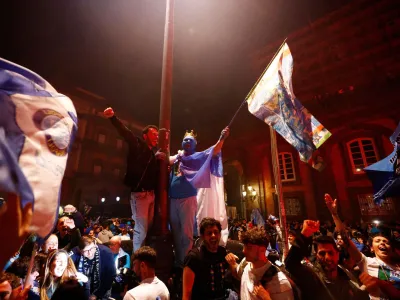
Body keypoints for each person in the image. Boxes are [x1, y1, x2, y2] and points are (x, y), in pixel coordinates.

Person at [169, 127, 230, 268]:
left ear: (195, 143)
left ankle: (187, 265)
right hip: (172, 199)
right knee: (175, 234)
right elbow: (165, 160)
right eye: (185, 140)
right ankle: (179, 264)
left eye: (191, 140)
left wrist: (222, 138)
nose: (187, 142)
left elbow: (213, 151)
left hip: (188, 199)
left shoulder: (198, 157)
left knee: (186, 235)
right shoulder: (177, 157)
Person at [104, 107, 163, 252]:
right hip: (140, 195)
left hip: (151, 195)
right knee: (140, 230)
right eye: (153, 134)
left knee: (146, 230)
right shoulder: (138, 145)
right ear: (145, 136)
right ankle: (138, 260)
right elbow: (126, 133)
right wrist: (113, 118)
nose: (156, 137)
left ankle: (144, 256)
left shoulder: (152, 155)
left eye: (157, 135)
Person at [324, 193, 400, 300]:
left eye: (386, 242)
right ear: (371, 248)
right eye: (377, 241)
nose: (382, 243)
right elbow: (346, 240)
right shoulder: (367, 262)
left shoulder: (398, 265)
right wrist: (335, 215)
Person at [285, 219, 368, 300]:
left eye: (331, 253)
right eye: (322, 253)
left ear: (337, 254)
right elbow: (291, 263)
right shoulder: (311, 276)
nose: (327, 257)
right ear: (316, 256)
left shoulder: (346, 275)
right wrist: (304, 234)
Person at [226, 227, 294, 300]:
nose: (244, 251)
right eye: (244, 246)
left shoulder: (280, 282)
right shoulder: (246, 263)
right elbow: (238, 274)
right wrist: (232, 263)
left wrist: (266, 298)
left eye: (249, 247)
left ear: (262, 250)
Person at [182, 217, 229, 300]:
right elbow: (187, 293)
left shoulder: (223, 252)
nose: (213, 235)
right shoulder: (193, 257)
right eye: (209, 233)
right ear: (203, 236)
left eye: (216, 232)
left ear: (220, 234)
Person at [70, 236, 116, 300]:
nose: (90, 253)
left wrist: (97, 294)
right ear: (80, 251)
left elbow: (111, 276)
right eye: (86, 251)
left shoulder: (106, 252)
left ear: (95, 244)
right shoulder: (76, 251)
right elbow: (67, 261)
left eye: (91, 248)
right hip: (85, 287)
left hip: (103, 287)